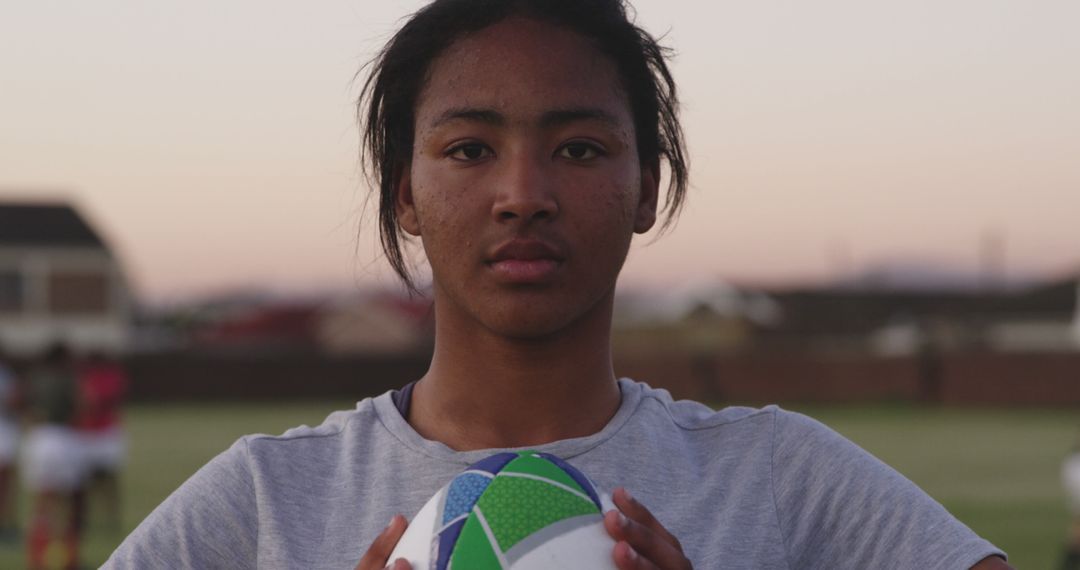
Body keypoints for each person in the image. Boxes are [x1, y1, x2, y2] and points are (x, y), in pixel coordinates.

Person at [106, 1, 1011, 568]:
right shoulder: (265, 501)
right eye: (469, 150)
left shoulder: (778, 479)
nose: (523, 196)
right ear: (405, 194)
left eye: (579, 148)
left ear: (646, 187)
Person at [22, 344, 86, 570]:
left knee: (41, 504)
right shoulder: (68, 379)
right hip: (63, 438)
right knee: (68, 505)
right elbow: (84, 404)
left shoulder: (36, 378)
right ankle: (69, 559)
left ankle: (36, 559)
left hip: (38, 438)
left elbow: (25, 406)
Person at [75, 352, 128, 533]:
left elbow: (102, 401)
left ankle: (112, 518)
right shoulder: (83, 377)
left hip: (106, 432)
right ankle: (85, 519)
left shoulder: (111, 376)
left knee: (109, 479)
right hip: (87, 433)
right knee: (85, 481)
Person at [0, 346, 20, 540]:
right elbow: (11, 401)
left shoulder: (6, 373)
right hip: (3, 430)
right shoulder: (5, 375)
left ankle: (6, 523)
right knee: (4, 481)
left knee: (7, 481)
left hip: (6, 429)